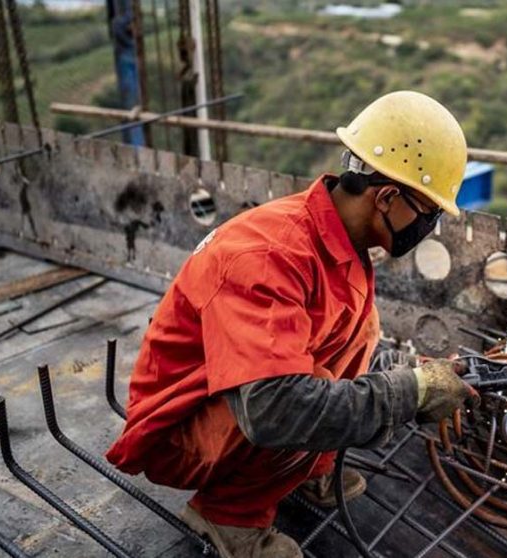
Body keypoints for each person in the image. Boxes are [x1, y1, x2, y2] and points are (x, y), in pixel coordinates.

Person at [105, 91, 477, 558]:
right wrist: (411, 392)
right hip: (185, 428)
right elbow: (276, 409)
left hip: (240, 400)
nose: (430, 226)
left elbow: (338, 345)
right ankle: (228, 516)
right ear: (385, 196)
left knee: (358, 330)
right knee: (292, 408)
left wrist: (415, 373)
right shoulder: (268, 256)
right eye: (429, 213)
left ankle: (307, 466)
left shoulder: (338, 239)